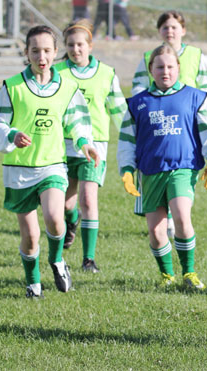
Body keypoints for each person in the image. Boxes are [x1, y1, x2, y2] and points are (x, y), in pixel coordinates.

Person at [0, 25, 99, 299]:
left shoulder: (67, 87)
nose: (42, 56)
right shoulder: (12, 86)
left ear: (55, 52)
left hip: (52, 166)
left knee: (54, 217)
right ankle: (33, 282)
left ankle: (57, 260)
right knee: (30, 237)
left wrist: (85, 143)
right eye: (35, 50)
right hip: (18, 170)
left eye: (47, 50)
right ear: (26, 52)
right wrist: (12, 134)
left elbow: (78, 122)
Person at [118, 44, 207, 290]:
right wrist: (126, 170)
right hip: (150, 172)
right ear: (150, 70)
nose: (165, 71)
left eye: (170, 66)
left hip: (182, 168)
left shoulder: (195, 97)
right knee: (156, 233)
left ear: (178, 68)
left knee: (181, 217)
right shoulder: (137, 104)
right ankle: (167, 275)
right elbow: (126, 141)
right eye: (159, 67)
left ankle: (189, 273)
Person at [131, 10, 207, 238]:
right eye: (165, 27)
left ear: (183, 30)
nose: (170, 31)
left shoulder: (196, 54)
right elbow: (138, 88)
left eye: (174, 27)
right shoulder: (149, 55)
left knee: (183, 164)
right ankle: (163, 218)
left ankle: (177, 214)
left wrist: (199, 110)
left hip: (186, 119)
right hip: (158, 120)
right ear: (159, 31)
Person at [55, 19, 129, 273]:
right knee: (65, 204)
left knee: (88, 199)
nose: (76, 50)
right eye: (70, 45)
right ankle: (71, 221)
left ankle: (88, 259)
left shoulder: (107, 74)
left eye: (80, 45)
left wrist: (134, 138)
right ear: (65, 47)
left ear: (90, 46)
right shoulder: (58, 74)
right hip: (61, 146)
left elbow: (119, 112)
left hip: (95, 145)